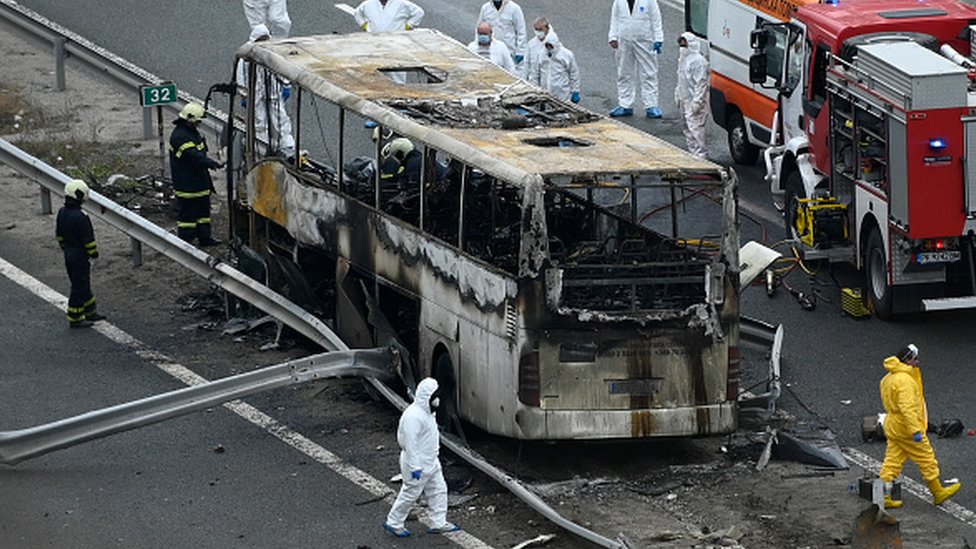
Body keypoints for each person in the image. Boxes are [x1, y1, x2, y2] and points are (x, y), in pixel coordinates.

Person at [878, 344, 961, 509]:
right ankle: (938, 492)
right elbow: (907, 408)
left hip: (893, 425)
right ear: (908, 360)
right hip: (906, 427)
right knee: (926, 458)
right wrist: (915, 430)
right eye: (915, 359)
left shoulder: (888, 378)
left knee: (892, 461)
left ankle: (883, 495)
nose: (917, 362)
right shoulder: (905, 381)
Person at [383, 378, 460, 537]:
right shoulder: (414, 416)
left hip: (431, 460)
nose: (438, 400)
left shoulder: (427, 412)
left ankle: (438, 521)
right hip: (418, 464)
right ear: (428, 397)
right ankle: (394, 521)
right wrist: (415, 467)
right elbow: (410, 445)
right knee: (410, 493)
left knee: (438, 490)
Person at [169, 103, 224, 246]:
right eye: (198, 122)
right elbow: (194, 157)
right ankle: (186, 241)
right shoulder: (179, 137)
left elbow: (200, 152)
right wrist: (211, 163)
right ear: (189, 119)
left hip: (200, 182)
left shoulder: (191, 132)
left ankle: (205, 238)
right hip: (187, 185)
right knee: (188, 216)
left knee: (203, 215)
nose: (199, 124)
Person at [238, 24, 296, 159]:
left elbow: (282, 68)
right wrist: (244, 92)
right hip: (255, 92)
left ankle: (287, 145)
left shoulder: (273, 52)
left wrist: (285, 85)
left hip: (273, 90)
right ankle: (262, 146)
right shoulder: (247, 54)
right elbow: (241, 75)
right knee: (259, 119)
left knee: (281, 117)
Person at [56, 179, 105, 328]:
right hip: (80, 255)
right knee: (79, 285)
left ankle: (90, 310)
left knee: (81, 283)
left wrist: (65, 247)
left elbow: (59, 235)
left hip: (69, 253)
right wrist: (94, 253)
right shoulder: (82, 217)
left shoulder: (61, 212)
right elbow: (88, 239)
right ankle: (75, 317)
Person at [608, 0, 664, 118]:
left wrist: (658, 39)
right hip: (624, 41)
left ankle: (651, 105)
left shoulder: (649, 1)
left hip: (644, 40)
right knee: (624, 73)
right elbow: (615, 19)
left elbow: (656, 19)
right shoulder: (619, 1)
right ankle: (625, 104)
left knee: (648, 73)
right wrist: (613, 37)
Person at [675, 32, 709, 159]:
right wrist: (678, 94)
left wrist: (697, 101)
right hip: (685, 99)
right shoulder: (683, 58)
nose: (682, 46)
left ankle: (701, 156)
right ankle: (693, 154)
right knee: (687, 128)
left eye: (684, 43)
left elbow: (701, 83)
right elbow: (681, 77)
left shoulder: (698, 61)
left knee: (695, 129)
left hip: (694, 101)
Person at [477, 0, 526, 74]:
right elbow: (479, 28)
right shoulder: (485, 8)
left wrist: (520, 51)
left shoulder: (514, 9)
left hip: (509, 50)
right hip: (491, 49)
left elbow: (521, 31)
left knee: (510, 73)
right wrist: (478, 44)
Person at [540, 34, 580, 104]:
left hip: (562, 94)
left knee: (562, 113)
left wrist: (575, 90)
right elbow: (537, 71)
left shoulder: (566, 55)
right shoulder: (543, 54)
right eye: (547, 46)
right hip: (545, 94)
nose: (549, 48)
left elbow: (574, 73)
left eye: (550, 46)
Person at [354, 0, 425, 33]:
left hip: (397, 39)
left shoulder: (401, 3)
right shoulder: (368, 4)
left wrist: (409, 25)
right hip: (374, 38)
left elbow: (419, 12)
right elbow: (357, 13)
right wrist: (364, 25)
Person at [526, 17, 557, 87]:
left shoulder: (554, 42)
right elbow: (527, 64)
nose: (538, 32)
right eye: (536, 29)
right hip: (538, 84)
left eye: (540, 30)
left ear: (547, 28)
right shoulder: (531, 44)